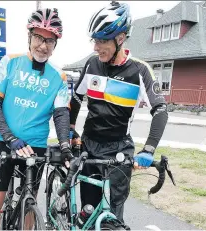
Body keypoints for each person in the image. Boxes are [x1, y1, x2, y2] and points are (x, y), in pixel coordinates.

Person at [69, 1, 168, 229]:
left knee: (112, 217)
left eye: (102, 41)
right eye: (94, 40)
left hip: (118, 149)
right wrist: (71, 128)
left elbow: (161, 111)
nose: (96, 47)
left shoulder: (139, 70)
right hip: (90, 146)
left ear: (121, 38)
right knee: (89, 211)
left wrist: (149, 148)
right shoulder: (92, 64)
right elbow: (75, 98)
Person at [0, 8, 73, 230]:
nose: (43, 45)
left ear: (55, 45)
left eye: (50, 41)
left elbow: (61, 114)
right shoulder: (9, 62)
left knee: (30, 202)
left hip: (36, 147)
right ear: (29, 37)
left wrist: (64, 145)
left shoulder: (58, 77)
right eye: (39, 38)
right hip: (5, 142)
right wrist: (10, 137)